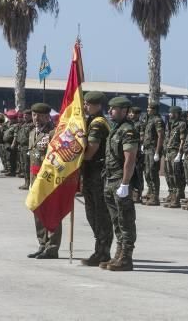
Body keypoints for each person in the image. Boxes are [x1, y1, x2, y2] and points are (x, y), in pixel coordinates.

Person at [99, 96, 139, 271]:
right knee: (116, 220)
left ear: (124, 111)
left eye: (113, 109)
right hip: (110, 179)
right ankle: (118, 254)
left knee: (126, 220)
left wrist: (125, 183)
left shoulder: (128, 130)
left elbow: (129, 160)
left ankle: (126, 257)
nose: (109, 111)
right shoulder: (115, 129)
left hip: (120, 182)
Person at [79, 91, 113, 266]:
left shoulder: (97, 124)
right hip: (91, 173)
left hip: (97, 173)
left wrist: (76, 161)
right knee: (92, 213)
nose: (85, 106)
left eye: (88, 104)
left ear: (98, 105)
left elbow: (91, 149)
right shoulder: (91, 121)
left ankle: (103, 252)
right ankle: (99, 250)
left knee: (100, 215)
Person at [27, 102, 61, 260]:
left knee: (52, 214)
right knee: (38, 212)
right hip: (35, 179)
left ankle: (52, 247)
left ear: (47, 116)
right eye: (34, 115)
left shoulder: (53, 133)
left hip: (49, 180)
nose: (36, 118)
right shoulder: (33, 132)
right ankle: (42, 243)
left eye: (40, 115)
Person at [162, 106, 185, 208]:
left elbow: (182, 140)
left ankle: (177, 198)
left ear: (177, 113)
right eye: (169, 113)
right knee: (169, 174)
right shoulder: (170, 124)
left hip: (175, 152)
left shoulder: (182, 124)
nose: (170, 114)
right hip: (168, 151)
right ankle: (172, 195)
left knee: (176, 175)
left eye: (172, 113)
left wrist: (180, 154)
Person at [142, 103, 165, 206]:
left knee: (153, 172)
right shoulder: (149, 119)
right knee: (147, 173)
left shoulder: (157, 120)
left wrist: (157, 152)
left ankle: (155, 196)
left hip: (153, 150)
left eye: (149, 108)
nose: (148, 109)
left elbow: (160, 136)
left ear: (155, 110)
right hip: (147, 149)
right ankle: (151, 193)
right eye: (147, 107)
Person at [128, 106, 144, 203]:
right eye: (130, 113)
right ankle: (130, 193)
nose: (130, 114)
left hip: (137, 152)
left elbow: (141, 138)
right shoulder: (129, 124)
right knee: (130, 173)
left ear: (137, 115)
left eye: (132, 113)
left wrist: (138, 146)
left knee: (137, 174)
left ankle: (137, 194)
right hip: (129, 150)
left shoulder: (140, 124)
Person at [16, 110, 34, 189]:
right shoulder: (23, 125)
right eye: (24, 115)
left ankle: (30, 183)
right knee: (23, 165)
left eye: (26, 115)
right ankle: (26, 182)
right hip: (22, 147)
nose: (24, 117)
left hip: (28, 147)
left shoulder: (32, 125)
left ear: (31, 116)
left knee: (28, 165)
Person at [2, 112, 19, 176]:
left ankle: (12, 171)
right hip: (6, 143)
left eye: (11, 119)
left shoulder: (15, 126)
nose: (9, 120)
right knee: (7, 157)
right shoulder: (9, 126)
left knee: (11, 157)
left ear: (14, 119)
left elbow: (15, 136)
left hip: (11, 143)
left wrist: (13, 144)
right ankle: (9, 169)